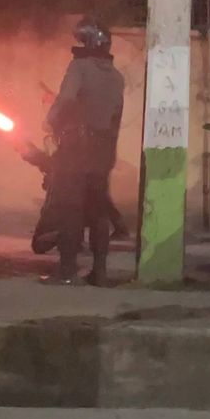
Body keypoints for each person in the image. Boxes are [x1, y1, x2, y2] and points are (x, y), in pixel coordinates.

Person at [38, 16, 124, 286]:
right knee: (98, 212)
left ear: (88, 42)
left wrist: (50, 120)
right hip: (103, 152)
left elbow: (66, 99)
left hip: (76, 149)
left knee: (71, 208)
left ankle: (66, 272)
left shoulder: (79, 67)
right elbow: (114, 117)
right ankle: (99, 272)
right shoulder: (117, 77)